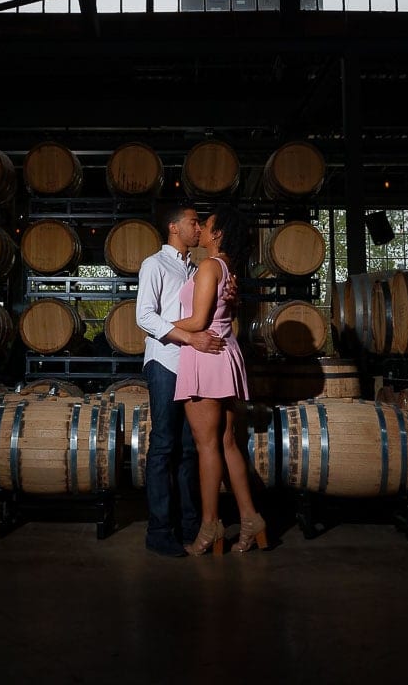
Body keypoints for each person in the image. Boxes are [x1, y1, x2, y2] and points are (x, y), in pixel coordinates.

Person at [171, 204, 267, 555]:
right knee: (227, 444)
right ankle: (250, 518)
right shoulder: (227, 267)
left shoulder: (210, 266)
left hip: (205, 356)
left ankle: (210, 524)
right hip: (225, 354)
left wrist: (159, 326)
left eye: (206, 225)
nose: (201, 229)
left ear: (218, 233)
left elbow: (197, 322)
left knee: (207, 446)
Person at [135, 203, 229, 558]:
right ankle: (159, 531)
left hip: (195, 365)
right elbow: (143, 316)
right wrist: (188, 338)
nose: (198, 226)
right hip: (165, 363)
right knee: (163, 447)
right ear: (174, 227)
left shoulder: (196, 267)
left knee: (191, 450)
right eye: (193, 222)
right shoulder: (154, 264)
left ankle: (193, 526)